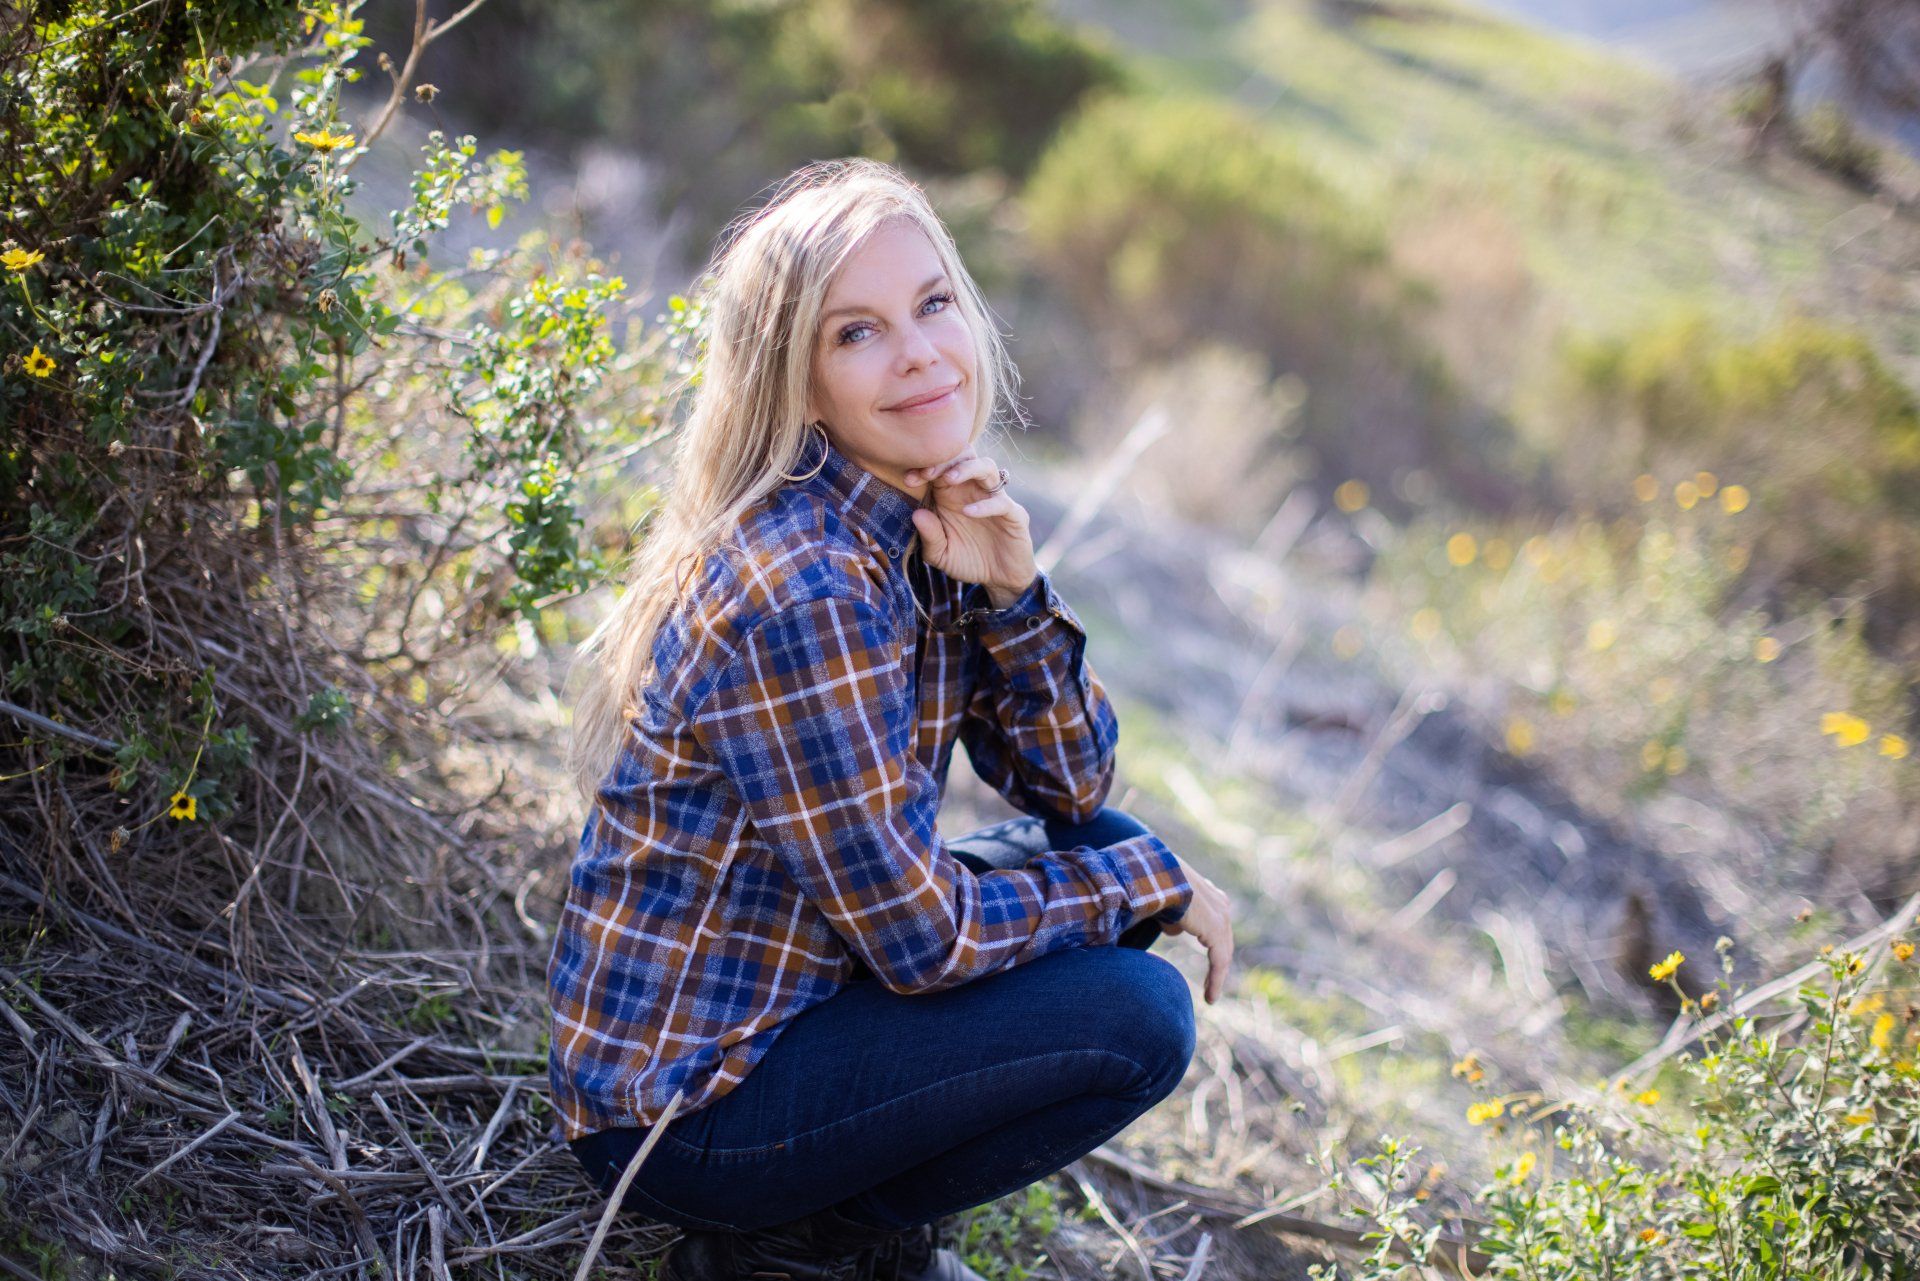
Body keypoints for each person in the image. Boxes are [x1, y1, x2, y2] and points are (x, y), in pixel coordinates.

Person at [546, 156, 1236, 1281]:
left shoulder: (911, 522)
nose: (918, 351)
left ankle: (829, 1228)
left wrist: (1013, 596)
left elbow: (1069, 789)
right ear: (799, 384)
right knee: (1137, 1013)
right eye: (855, 333)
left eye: (931, 304)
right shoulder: (806, 588)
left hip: (803, 994)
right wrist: (1148, 883)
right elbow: (926, 943)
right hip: (689, 1113)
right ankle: (794, 1247)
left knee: (1104, 854)